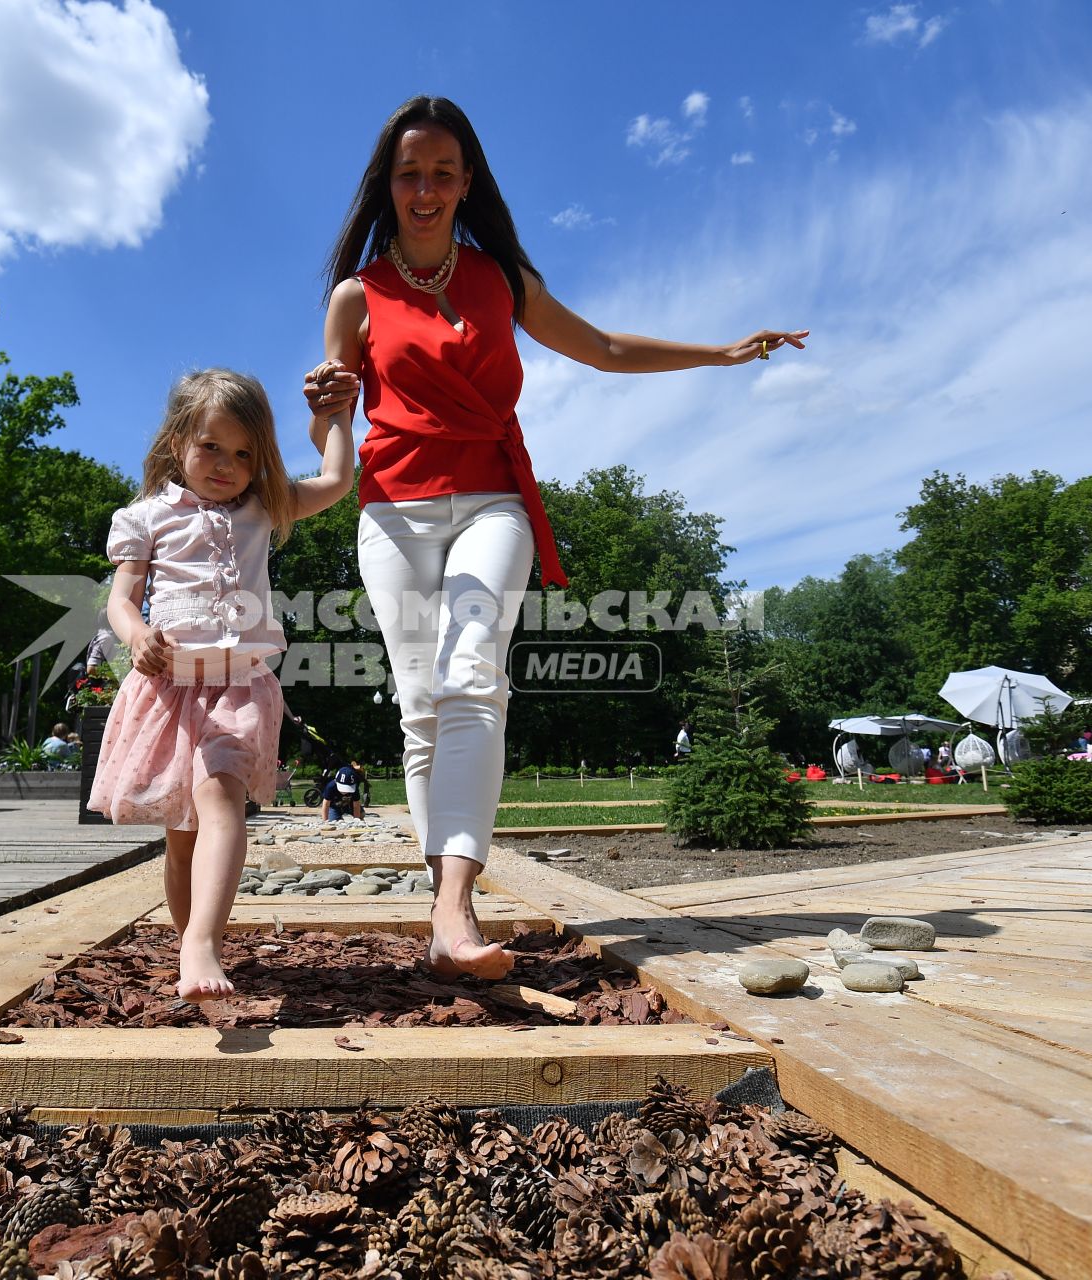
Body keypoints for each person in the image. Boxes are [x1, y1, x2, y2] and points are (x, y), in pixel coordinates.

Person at [304, 95, 805, 978]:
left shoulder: (501, 279)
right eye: (410, 173)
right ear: (389, 184)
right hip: (390, 510)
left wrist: (722, 353)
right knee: (421, 708)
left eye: (443, 173)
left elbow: (605, 347)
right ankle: (442, 911)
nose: (426, 189)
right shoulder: (356, 297)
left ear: (467, 184)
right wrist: (325, 416)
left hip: (493, 499)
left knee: (472, 677)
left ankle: (455, 910)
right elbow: (336, 440)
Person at [89, 368, 353, 999]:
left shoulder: (263, 509)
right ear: (179, 439)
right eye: (211, 446)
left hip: (238, 685)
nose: (227, 465)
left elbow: (339, 481)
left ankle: (203, 942)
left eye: (244, 453)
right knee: (180, 840)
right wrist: (136, 636)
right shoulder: (147, 517)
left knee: (222, 801)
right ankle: (192, 947)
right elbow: (121, 601)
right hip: (169, 690)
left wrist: (340, 414)